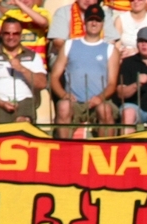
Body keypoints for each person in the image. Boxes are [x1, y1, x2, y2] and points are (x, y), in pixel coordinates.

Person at [51, 4, 120, 138]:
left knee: (105, 110)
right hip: (74, 103)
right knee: (63, 106)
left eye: (97, 20)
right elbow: (54, 77)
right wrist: (64, 95)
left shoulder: (111, 50)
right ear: (85, 22)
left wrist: (100, 98)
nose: (94, 23)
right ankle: (64, 147)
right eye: (90, 20)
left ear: (102, 23)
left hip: (99, 101)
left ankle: (106, 148)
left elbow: (112, 83)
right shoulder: (69, 44)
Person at [0, 17, 47, 123]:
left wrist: (22, 69)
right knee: (3, 127)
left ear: (21, 35)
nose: (11, 37)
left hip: (25, 101)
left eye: (15, 33)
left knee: (23, 123)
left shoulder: (33, 56)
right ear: (1, 34)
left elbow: (41, 84)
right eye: (7, 33)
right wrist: (1, 103)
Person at [47, 0, 120, 63]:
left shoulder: (103, 14)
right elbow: (58, 43)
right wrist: (82, 58)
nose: (87, 0)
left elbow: (111, 42)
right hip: (67, 58)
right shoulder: (63, 12)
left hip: (98, 58)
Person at [0, 0, 51, 65]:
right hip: (14, 62)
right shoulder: (11, 14)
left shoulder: (41, 12)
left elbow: (43, 22)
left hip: (36, 62)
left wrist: (19, 4)